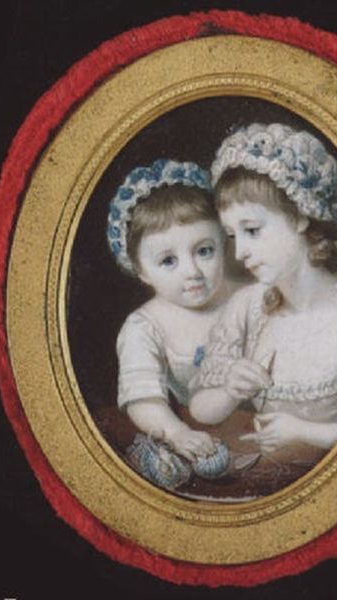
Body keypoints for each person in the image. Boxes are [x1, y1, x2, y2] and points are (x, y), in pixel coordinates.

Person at [189, 123, 337, 456]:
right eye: (233, 236)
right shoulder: (247, 307)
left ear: (299, 217)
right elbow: (200, 410)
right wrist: (230, 390)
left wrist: (302, 431)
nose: (240, 253)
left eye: (252, 230)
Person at [107, 159, 236, 470]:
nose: (192, 272)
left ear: (222, 242)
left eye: (204, 251)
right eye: (168, 261)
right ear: (141, 270)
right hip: (203, 434)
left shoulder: (249, 295)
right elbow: (143, 399)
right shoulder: (144, 326)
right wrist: (178, 433)